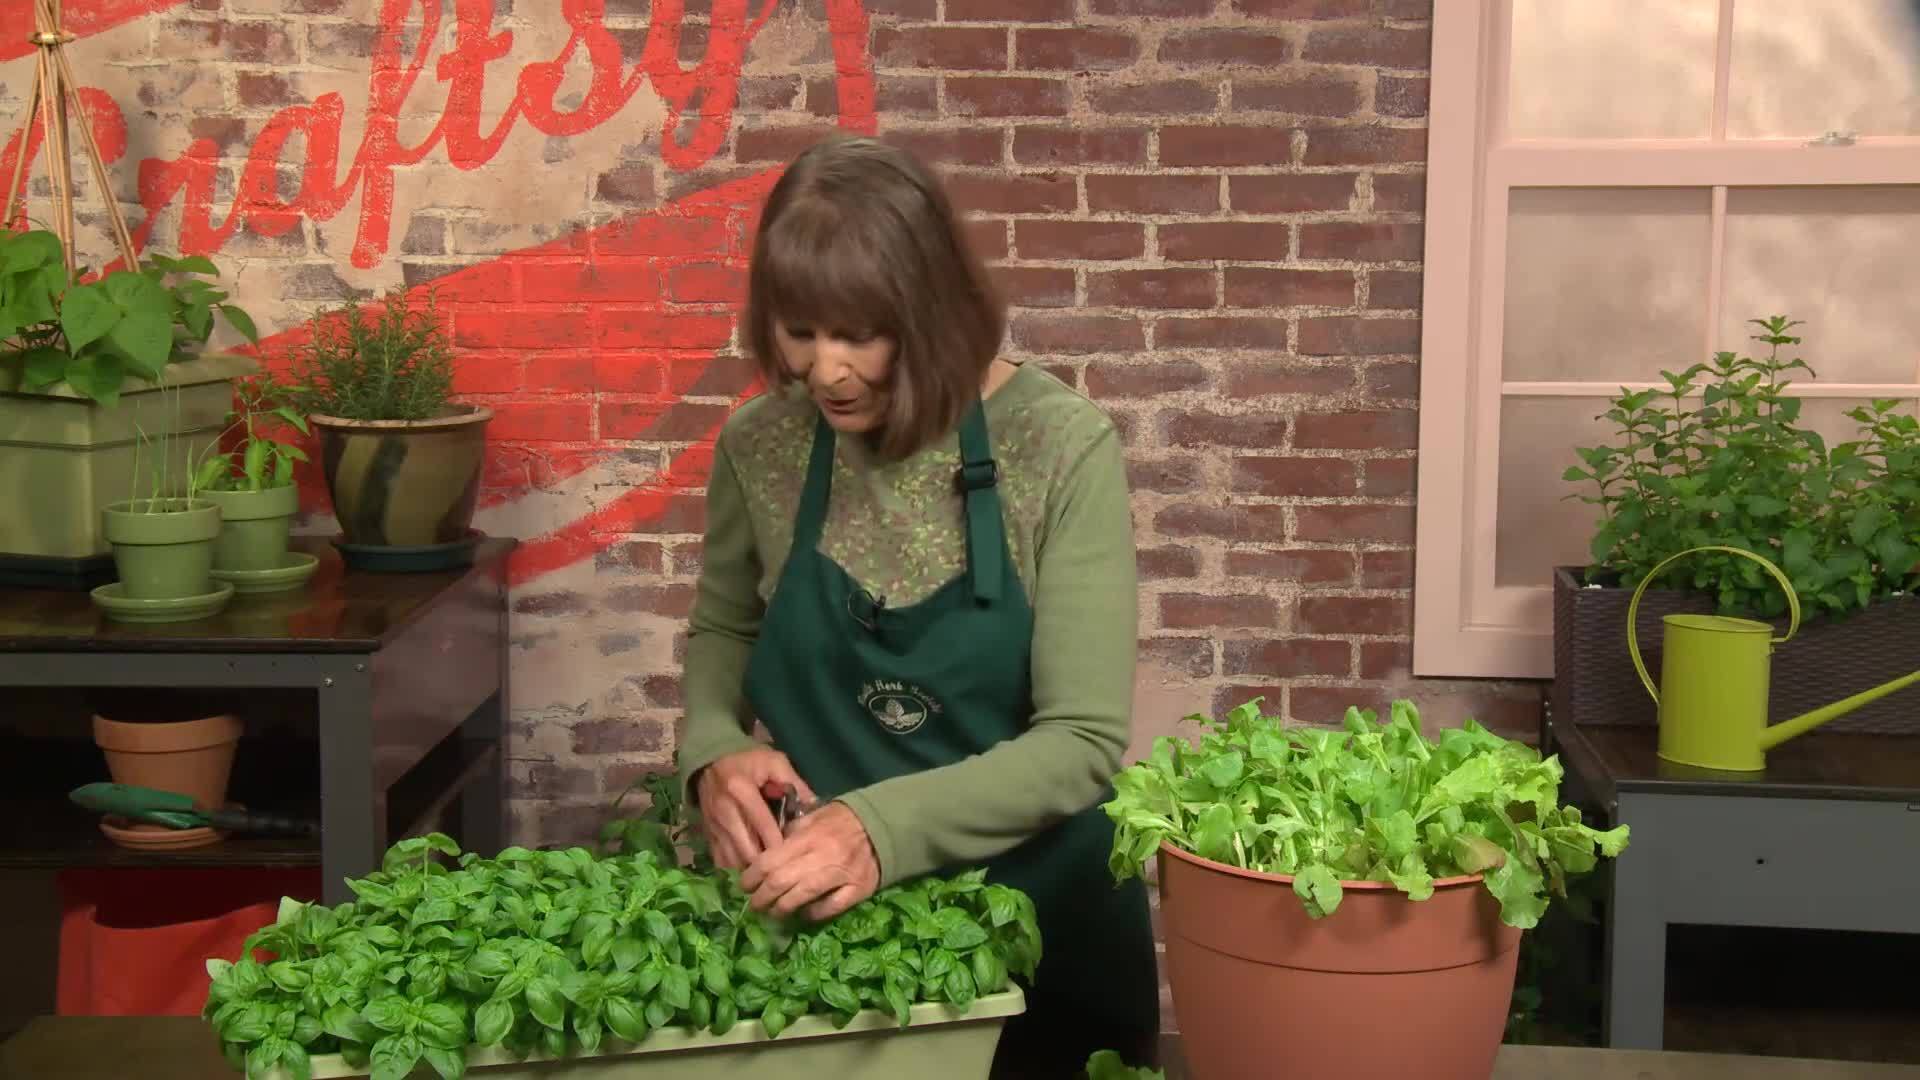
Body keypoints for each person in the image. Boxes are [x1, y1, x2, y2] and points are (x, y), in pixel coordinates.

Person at [673, 133, 1160, 1075]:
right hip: (841, 959)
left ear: (932, 312)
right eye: (800, 331)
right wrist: (713, 749)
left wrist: (877, 828)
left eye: (860, 332)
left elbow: (1084, 741)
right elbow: (726, 627)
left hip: (1045, 942)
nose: (826, 371)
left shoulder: (1060, 448)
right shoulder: (762, 445)